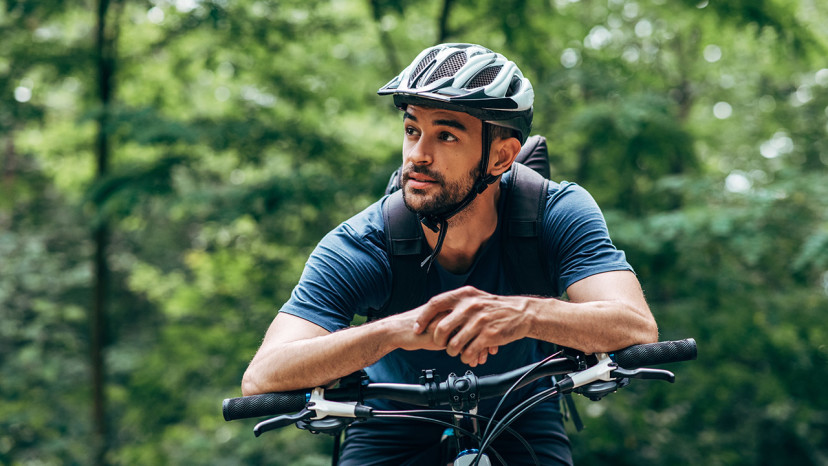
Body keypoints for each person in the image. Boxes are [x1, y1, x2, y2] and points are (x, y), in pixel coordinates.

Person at [241, 43, 658, 465]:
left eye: (446, 135)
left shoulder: (554, 213)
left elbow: (635, 325)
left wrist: (523, 315)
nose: (418, 154)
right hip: (390, 422)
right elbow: (263, 375)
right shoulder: (364, 242)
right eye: (411, 130)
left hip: (522, 413)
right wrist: (393, 331)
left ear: (501, 156)